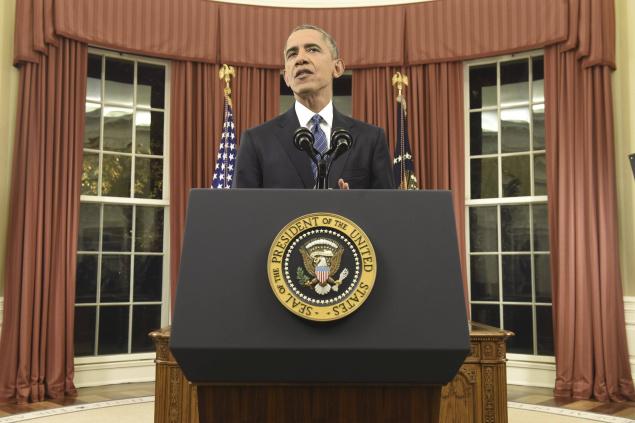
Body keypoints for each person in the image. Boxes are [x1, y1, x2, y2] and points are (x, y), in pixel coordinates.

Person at [232, 24, 394, 189]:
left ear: (337, 68)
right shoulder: (257, 141)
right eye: (292, 54)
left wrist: (350, 206)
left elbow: (385, 211)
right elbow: (242, 211)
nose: (300, 59)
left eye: (312, 50)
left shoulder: (371, 140)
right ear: (287, 77)